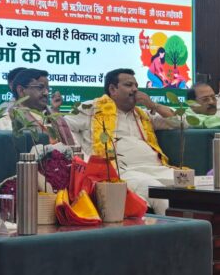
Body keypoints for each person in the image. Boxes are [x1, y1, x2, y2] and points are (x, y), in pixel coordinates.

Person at [64, 68, 177, 213]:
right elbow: (62, 125)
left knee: (194, 186)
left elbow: (180, 122)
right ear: (113, 89)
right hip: (122, 172)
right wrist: (84, 159)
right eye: (129, 85)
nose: (135, 89)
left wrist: (153, 105)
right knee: (160, 194)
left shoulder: (143, 114)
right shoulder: (92, 108)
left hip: (158, 169)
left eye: (136, 86)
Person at [10, 68, 74, 144]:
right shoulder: (9, 118)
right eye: (40, 87)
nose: (46, 93)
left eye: (48, 89)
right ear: (21, 90)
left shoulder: (55, 117)